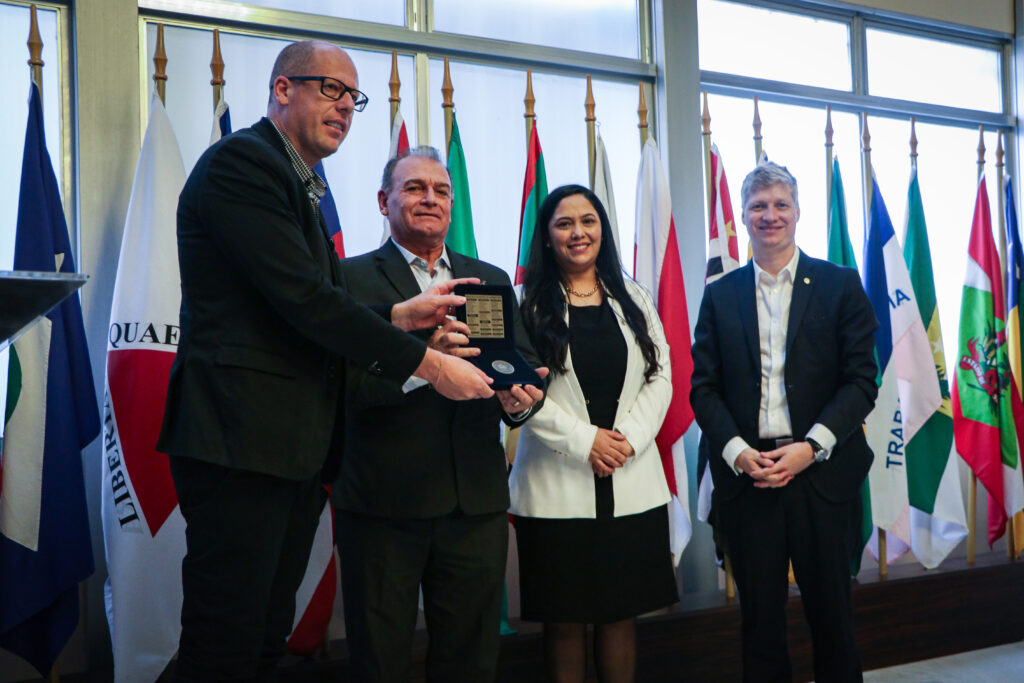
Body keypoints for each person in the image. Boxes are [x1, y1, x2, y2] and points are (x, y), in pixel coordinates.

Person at [157, 41, 494, 681]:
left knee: (262, 639)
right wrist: (428, 365)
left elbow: (299, 304)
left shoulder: (299, 181)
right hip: (241, 441)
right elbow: (304, 301)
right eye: (330, 89)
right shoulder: (245, 164)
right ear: (283, 89)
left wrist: (398, 315)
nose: (344, 107)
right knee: (223, 644)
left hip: (288, 450)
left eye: (353, 98)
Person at [333, 146, 547, 682]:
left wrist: (519, 400)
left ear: (453, 205)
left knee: (471, 662)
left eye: (441, 191)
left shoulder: (486, 278)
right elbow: (337, 387)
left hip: (474, 506)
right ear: (383, 201)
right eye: (414, 188)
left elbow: (519, 366)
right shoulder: (346, 282)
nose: (430, 198)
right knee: (380, 661)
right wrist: (426, 365)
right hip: (383, 507)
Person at [690, 161, 878, 682]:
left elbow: (862, 381)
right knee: (760, 624)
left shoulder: (840, 285)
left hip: (822, 474)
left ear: (798, 212)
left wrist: (811, 448)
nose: (769, 215)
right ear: (743, 216)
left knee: (833, 618)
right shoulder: (720, 294)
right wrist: (736, 452)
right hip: (749, 477)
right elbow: (703, 387)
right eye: (758, 206)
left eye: (780, 205)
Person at [509, 184, 678, 683]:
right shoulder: (525, 303)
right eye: (564, 223)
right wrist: (587, 442)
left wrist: (626, 440)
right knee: (563, 621)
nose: (577, 232)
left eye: (588, 221)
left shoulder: (634, 296)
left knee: (620, 615)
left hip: (632, 480)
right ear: (546, 237)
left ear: (603, 230)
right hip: (555, 487)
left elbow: (661, 376)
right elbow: (518, 390)